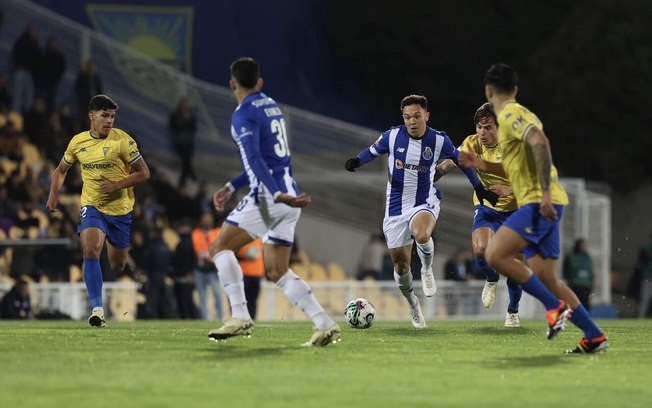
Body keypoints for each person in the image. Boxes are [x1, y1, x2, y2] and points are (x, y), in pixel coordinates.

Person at [459, 63, 608, 353]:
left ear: (489, 91)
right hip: (546, 201)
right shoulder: (516, 118)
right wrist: (482, 165)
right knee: (546, 278)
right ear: (514, 88)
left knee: (494, 254)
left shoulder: (511, 114)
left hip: (540, 203)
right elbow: (523, 159)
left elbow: (540, 142)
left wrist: (544, 195)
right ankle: (593, 336)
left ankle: (554, 309)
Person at [207, 57, 341, 347]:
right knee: (278, 270)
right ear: (260, 82)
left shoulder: (242, 114)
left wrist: (274, 193)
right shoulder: (271, 106)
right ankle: (324, 323)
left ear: (231, 84)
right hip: (288, 192)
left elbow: (255, 159)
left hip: (271, 196)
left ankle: (240, 315)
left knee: (219, 247)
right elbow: (269, 159)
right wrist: (232, 186)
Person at [344, 94, 499, 328]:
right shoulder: (392, 136)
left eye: (416, 116)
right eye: (407, 117)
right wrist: (356, 161)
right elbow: (372, 151)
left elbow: (462, 161)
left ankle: (427, 269)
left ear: (426, 115)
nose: (412, 121)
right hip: (395, 209)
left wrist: (480, 188)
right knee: (401, 267)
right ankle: (412, 304)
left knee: (422, 234)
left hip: (424, 201)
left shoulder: (439, 140)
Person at [46, 94, 150, 327]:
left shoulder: (122, 141)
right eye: (105, 115)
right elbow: (61, 170)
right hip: (92, 206)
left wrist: (117, 185)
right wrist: (53, 195)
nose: (110, 120)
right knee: (91, 250)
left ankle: (113, 274)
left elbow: (144, 172)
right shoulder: (78, 142)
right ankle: (97, 309)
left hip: (121, 210)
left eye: (112, 116)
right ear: (91, 116)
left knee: (117, 265)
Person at [435, 102, 523, 328]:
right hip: (487, 208)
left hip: (516, 212)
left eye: (488, 127)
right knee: (481, 250)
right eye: (479, 127)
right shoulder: (472, 143)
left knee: (515, 269)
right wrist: (432, 176)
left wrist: (509, 189)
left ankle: (512, 312)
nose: (482, 133)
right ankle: (491, 279)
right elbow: (451, 163)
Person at [192, 212, 225, 320]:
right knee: (202, 297)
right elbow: (198, 250)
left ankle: (220, 318)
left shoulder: (217, 232)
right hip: (200, 269)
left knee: (217, 295)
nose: (207, 221)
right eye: (205, 218)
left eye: (209, 218)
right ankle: (204, 319)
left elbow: (220, 248)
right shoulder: (196, 233)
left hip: (213, 270)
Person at [444, 249, 482, 316]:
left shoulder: (467, 263)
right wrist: (463, 278)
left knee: (468, 304)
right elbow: (450, 275)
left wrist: (469, 277)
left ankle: (468, 317)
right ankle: (451, 317)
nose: (463, 257)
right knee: (452, 305)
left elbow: (472, 273)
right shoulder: (450, 264)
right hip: (454, 287)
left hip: (465, 287)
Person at [168, 98, 197, 186]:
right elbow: (173, 127)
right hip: (179, 143)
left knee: (186, 161)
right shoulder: (175, 116)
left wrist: (188, 120)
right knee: (185, 161)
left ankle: (185, 180)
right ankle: (190, 176)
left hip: (188, 142)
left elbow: (194, 128)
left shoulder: (191, 116)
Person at [237, 238, 265, 319]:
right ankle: (239, 319)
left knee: (253, 300)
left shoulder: (260, 239)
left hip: (257, 274)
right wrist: (244, 256)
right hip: (243, 274)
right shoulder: (241, 239)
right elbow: (234, 254)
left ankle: (252, 319)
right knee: (241, 300)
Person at [563, 238, 594, 311]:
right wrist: (568, 281)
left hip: (586, 284)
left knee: (585, 303)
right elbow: (566, 270)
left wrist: (591, 282)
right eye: (582, 245)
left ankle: (585, 318)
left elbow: (591, 271)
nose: (584, 247)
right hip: (575, 284)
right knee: (574, 302)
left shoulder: (587, 257)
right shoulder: (571, 256)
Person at [636, 231, 652, 318]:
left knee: (645, 300)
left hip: (648, 277)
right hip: (648, 277)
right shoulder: (646, 247)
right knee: (645, 299)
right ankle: (640, 318)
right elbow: (642, 261)